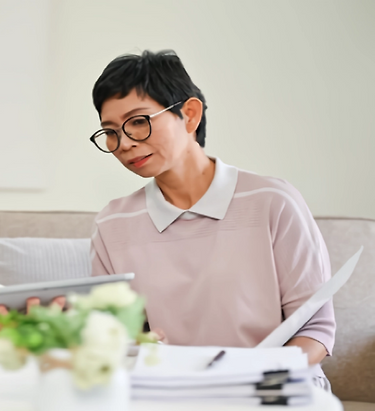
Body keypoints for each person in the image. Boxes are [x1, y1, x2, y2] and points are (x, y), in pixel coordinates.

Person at [89, 50, 335, 389]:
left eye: (138, 121)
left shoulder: (272, 202)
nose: (124, 143)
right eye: (111, 131)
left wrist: (255, 380)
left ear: (189, 115)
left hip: (275, 386)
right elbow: (115, 337)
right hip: (174, 391)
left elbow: (315, 330)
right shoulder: (113, 224)